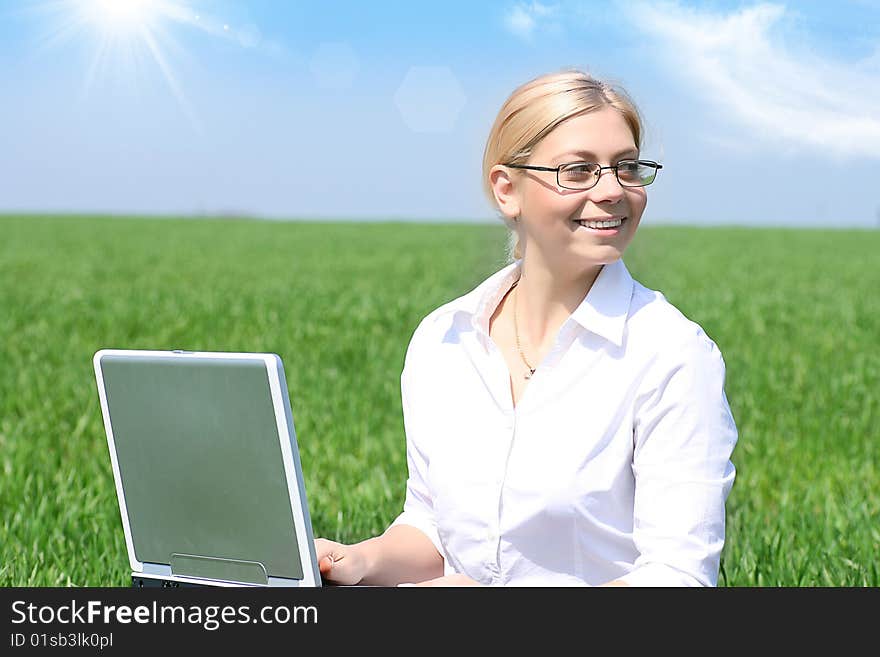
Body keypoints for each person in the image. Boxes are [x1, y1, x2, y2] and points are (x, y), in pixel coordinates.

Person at [314, 68, 738, 586]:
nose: (612, 191)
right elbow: (432, 529)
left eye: (627, 167)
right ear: (506, 190)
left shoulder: (672, 354)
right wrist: (359, 562)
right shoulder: (443, 340)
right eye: (578, 171)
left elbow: (678, 577)